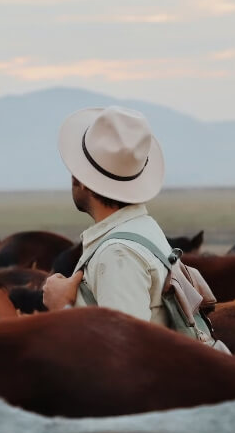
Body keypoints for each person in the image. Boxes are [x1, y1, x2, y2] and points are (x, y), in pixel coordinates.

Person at [42, 105, 175, 325]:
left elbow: (125, 350)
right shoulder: (143, 228)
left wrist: (62, 307)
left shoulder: (117, 254)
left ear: (81, 180)